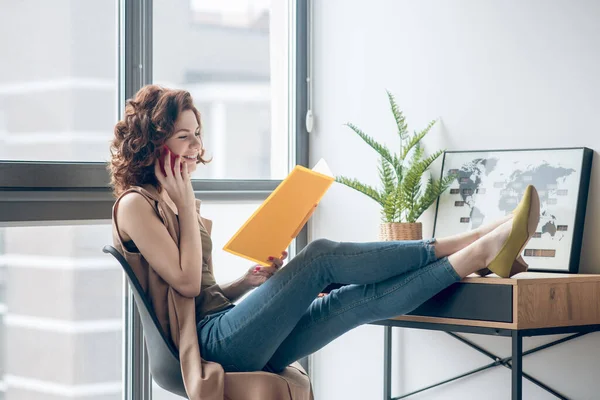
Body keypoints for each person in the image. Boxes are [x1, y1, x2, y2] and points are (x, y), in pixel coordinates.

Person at [108, 84, 540, 375]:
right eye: (186, 138)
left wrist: (248, 282)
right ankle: (475, 240)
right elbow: (183, 283)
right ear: (152, 141)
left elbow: (198, 289)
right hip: (211, 345)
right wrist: (185, 206)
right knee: (321, 257)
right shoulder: (134, 206)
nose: (197, 148)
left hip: (228, 328)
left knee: (350, 302)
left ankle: (476, 254)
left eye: (198, 135)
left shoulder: (172, 199)